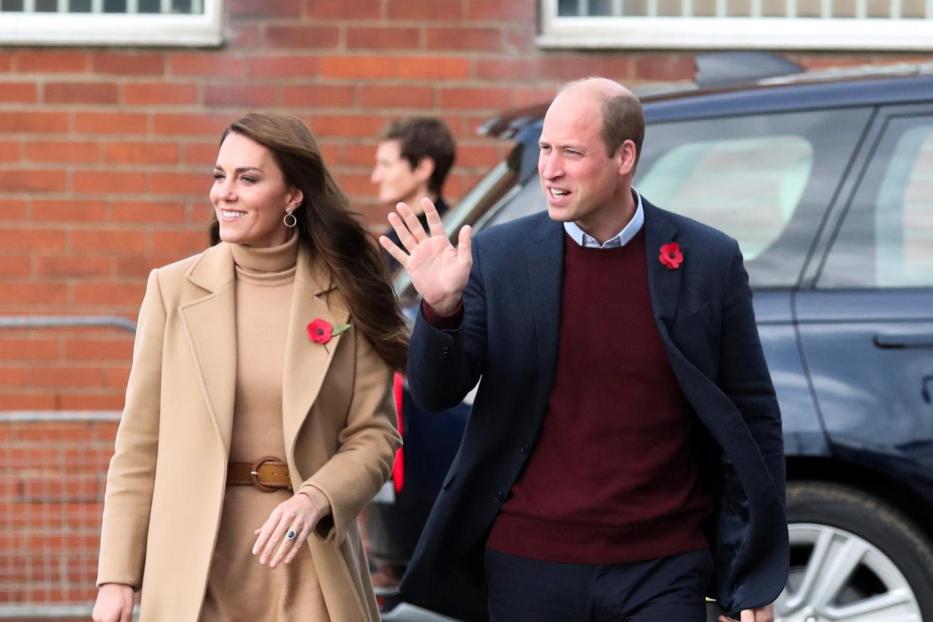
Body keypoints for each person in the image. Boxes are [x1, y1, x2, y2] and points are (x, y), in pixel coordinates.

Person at [381, 78, 788, 622]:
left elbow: (753, 418)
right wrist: (441, 311)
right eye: (546, 149)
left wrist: (753, 576)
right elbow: (434, 393)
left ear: (625, 157)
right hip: (529, 565)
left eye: (571, 153)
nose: (550, 170)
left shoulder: (706, 260)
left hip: (662, 569)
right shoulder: (501, 257)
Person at [92, 112, 406, 622]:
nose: (225, 193)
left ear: (293, 196)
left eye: (248, 178)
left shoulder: (347, 294)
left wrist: (316, 498)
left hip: (308, 566)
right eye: (220, 176)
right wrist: (117, 578)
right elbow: (138, 446)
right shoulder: (171, 291)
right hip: (196, 569)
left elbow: (374, 436)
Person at [371, 117, 456, 272]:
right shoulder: (396, 235)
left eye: (386, 165)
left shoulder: (448, 241)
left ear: (423, 168)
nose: (375, 177)